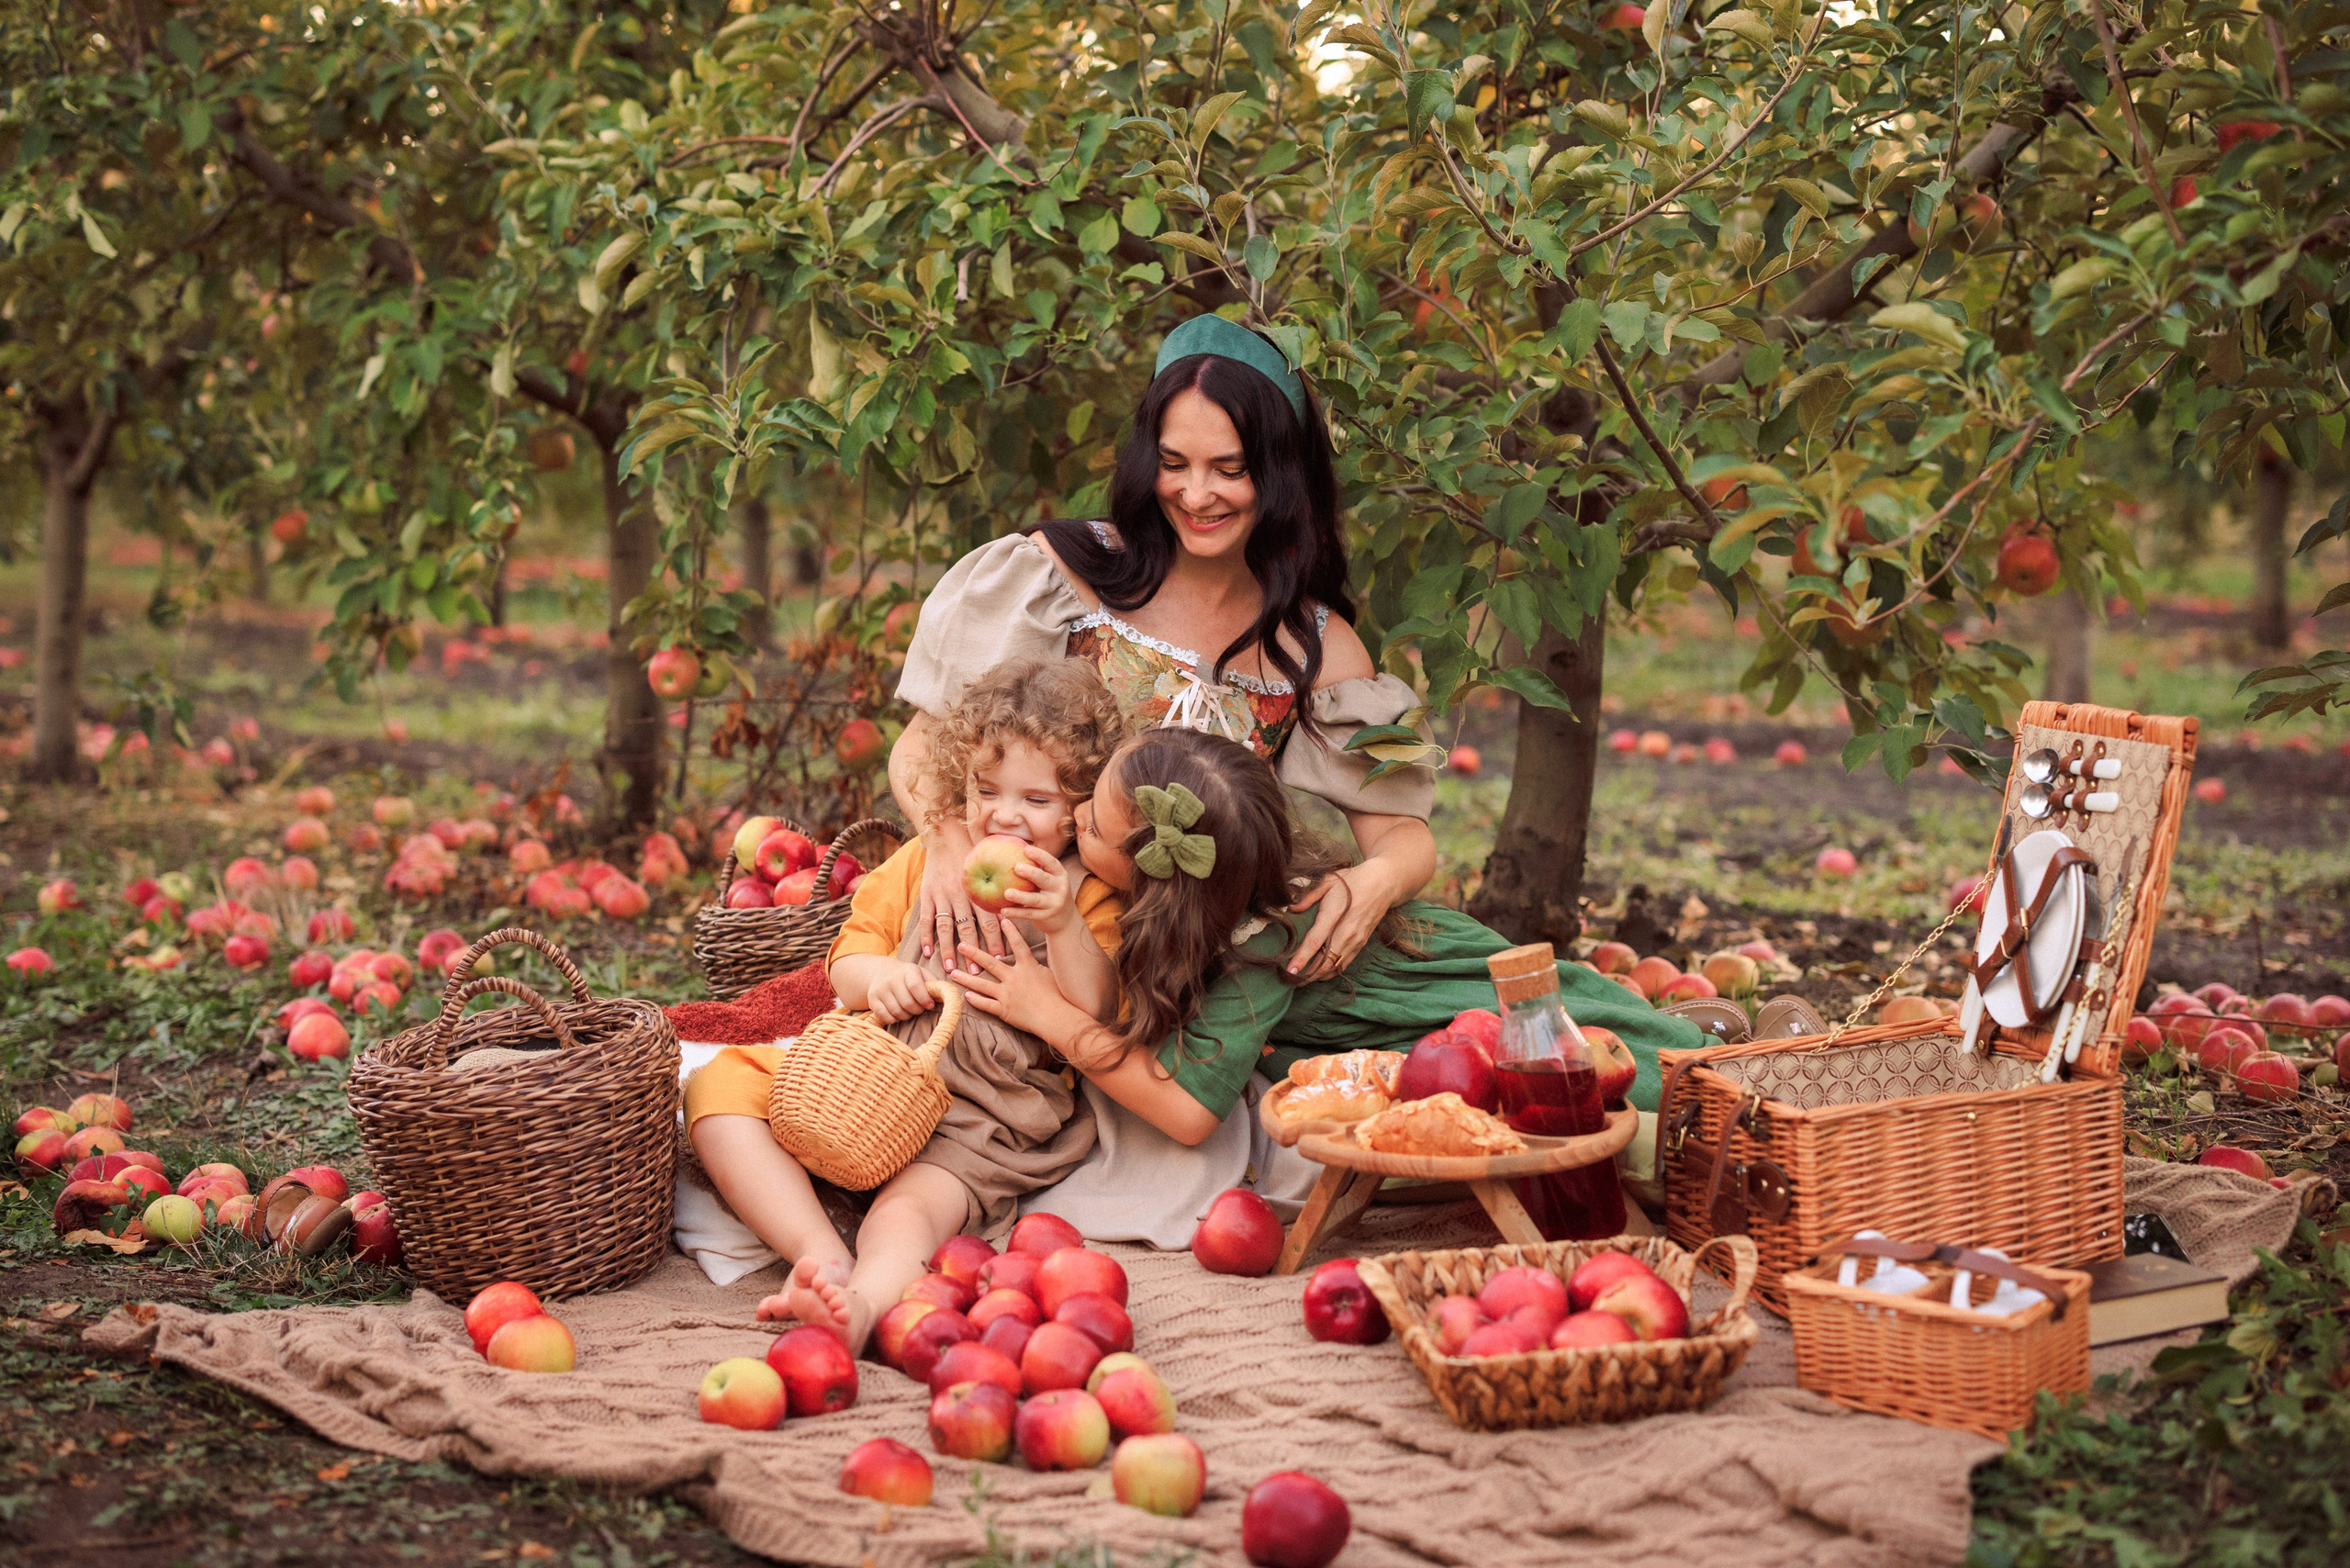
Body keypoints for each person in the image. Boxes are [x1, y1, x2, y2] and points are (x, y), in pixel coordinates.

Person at [948, 728, 1707, 1241]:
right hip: (1446, 1000)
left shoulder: (1261, 951)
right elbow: (1118, 1000)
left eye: (1090, 828)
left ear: (1161, 879)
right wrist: (1061, 929)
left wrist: (1050, 1016)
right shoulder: (1206, 908)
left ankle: (1728, 1065)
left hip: (1457, 1016)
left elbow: (1184, 1113)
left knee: (1641, 1093)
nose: (1073, 815)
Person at [892, 313, 1437, 988]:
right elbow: (921, 745)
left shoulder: (1314, 646)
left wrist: (1374, 880)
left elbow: (1403, 835)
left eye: (1229, 470)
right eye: (1174, 464)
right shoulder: (1058, 575)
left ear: (1281, 474)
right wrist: (945, 845)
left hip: (1195, 951)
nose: (1196, 494)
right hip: (1032, 929)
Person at [683, 658, 1127, 1351]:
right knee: (717, 1089)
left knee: (910, 1212)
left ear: (1080, 809)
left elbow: (1095, 1008)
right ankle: (819, 1253)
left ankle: (858, 1306)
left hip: (983, 1110)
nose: (1003, 815)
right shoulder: (929, 859)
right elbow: (845, 960)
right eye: (986, 790)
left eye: (1035, 801)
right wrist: (879, 978)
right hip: (870, 1071)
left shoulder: (1083, 894)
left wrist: (1063, 924)